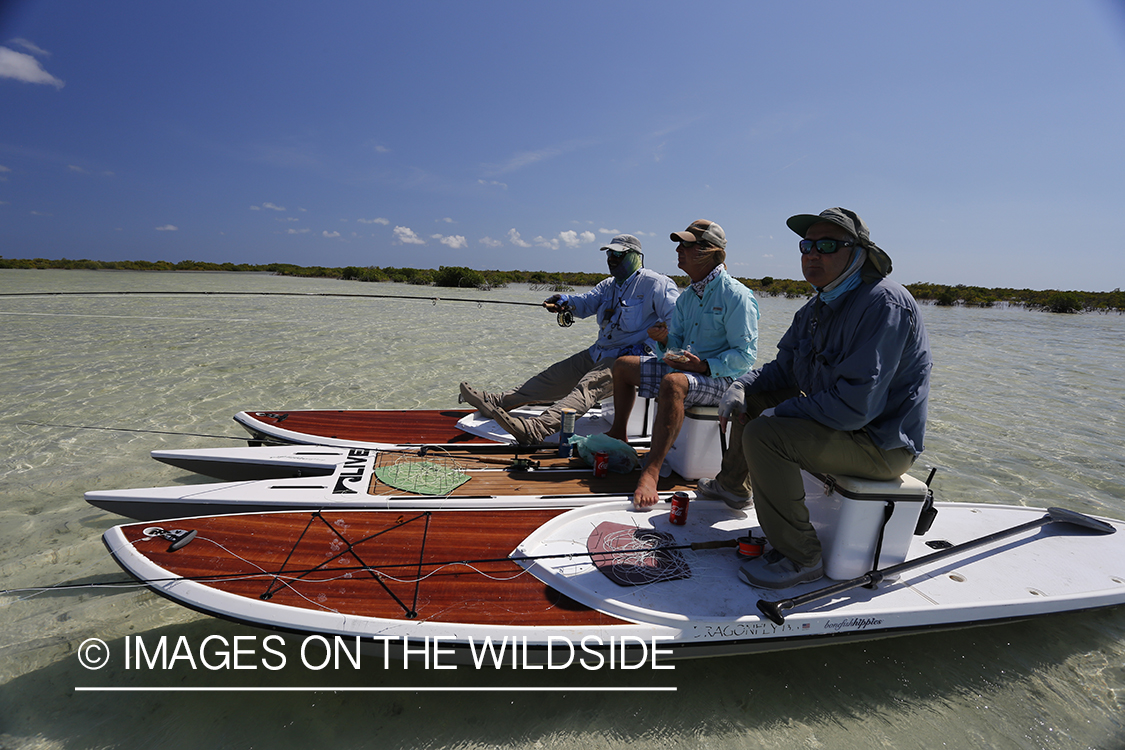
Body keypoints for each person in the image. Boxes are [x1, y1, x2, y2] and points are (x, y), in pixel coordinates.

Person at [701, 207, 932, 590]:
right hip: (845, 431)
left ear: (858, 252)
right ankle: (733, 486)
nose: (812, 254)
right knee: (755, 401)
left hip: (880, 445)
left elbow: (854, 407)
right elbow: (784, 370)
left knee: (765, 434)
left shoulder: (883, 303)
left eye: (827, 245)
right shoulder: (816, 307)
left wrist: (781, 412)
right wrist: (741, 385)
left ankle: (801, 557)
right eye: (806, 245)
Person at [460, 234, 679, 444]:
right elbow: (585, 302)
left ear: (635, 256)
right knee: (551, 377)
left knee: (586, 388)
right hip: (599, 352)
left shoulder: (656, 284)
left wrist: (650, 349)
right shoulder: (608, 285)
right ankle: (497, 402)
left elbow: (678, 323)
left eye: (618, 255)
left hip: (627, 359)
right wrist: (565, 301)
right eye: (609, 254)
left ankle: (537, 429)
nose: (611, 259)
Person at [604, 219, 759, 508]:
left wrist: (704, 367)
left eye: (687, 245)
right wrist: (664, 341)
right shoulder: (688, 297)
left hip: (724, 378)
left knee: (674, 383)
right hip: (691, 369)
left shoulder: (736, 295)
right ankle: (618, 434)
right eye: (680, 244)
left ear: (711, 251)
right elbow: (677, 344)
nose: (679, 249)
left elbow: (745, 356)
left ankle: (651, 469)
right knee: (624, 366)